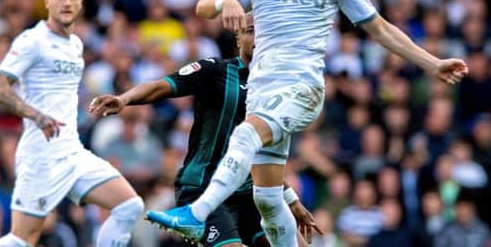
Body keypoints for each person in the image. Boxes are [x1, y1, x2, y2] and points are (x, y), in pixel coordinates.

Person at [146, 0, 469, 246]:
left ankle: (197, 213)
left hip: (302, 88)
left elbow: (380, 29)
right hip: (263, 91)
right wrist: (228, 3)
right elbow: (204, 5)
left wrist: (433, 63)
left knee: (244, 135)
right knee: (267, 198)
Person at [89, 13, 321, 247]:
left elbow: (267, 154)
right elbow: (162, 85)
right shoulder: (215, 71)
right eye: (251, 30)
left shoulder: (276, 90)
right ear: (239, 38)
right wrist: (124, 99)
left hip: (248, 194)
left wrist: (291, 200)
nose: (258, 37)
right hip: (203, 189)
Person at [0, 0, 144, 247]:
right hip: (42, 155)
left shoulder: (76, 45)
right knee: (22, 241)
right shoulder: (32, 40)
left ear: (81, 3)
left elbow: (60, 93)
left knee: (129, 206)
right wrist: (36, 115)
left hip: (72, 151)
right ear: (47, 2)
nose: (67, 3)